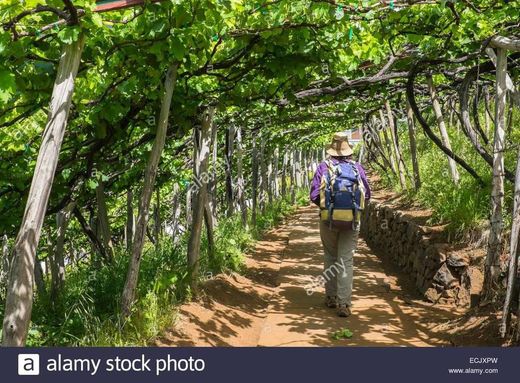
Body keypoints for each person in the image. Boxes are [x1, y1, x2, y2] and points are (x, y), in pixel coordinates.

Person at [310, 132, 371, 317]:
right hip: (352, 220)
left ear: (332, 150)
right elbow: (366, 195)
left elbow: (314, 196)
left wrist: (330, 207)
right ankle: (344, 303)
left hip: (328, 219)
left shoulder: (323, 167)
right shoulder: (357, 168)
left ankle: (330, 296)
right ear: (348, 151)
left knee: (330, 255)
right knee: (346, 260)